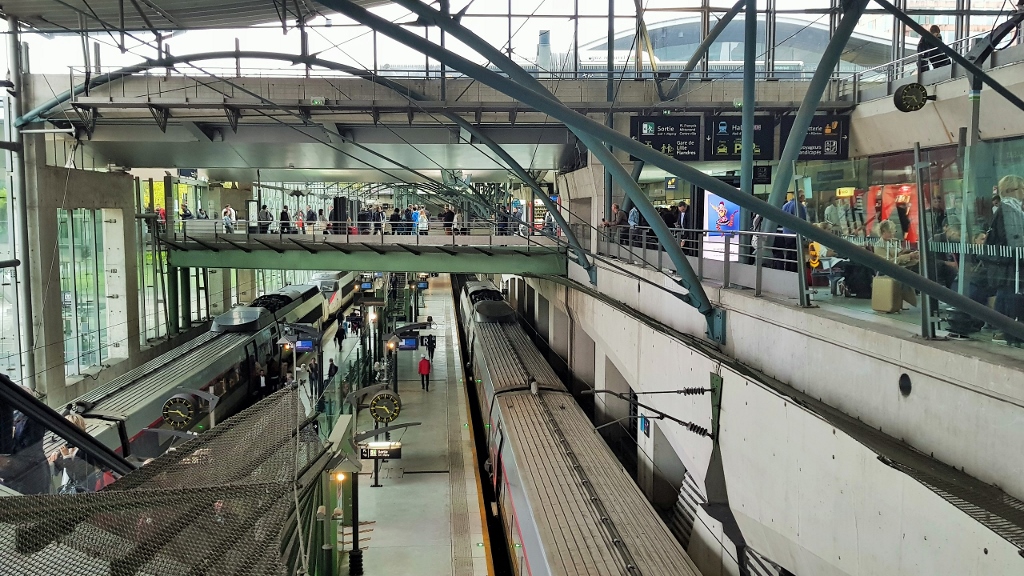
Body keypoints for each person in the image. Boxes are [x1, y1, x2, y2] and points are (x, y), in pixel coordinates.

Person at [982, 174, 1024, 344]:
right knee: (1010, 293)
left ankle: (1005, 329)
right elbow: (1014, 239)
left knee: (1007, 293)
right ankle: (1009, 331)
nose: (1023, 192)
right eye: (1021, 188)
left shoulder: (1011, 209)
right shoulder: (1010, 210)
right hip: (1010, 264)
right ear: (1010, 191)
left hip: (1008, 264)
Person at [48, 414, 93, 494]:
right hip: (68, 490)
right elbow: (60, 470)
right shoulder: (70, 447)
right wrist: (56, 458)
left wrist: (66, 456)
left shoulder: (85, 451)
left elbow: (77, 476)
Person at [774, 193, 807, 272]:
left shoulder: (786, 205)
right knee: (796, 255)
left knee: (789, 254)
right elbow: (802, 221)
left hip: (786, 233)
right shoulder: (799, 206)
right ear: (801, 196)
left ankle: (788, 270)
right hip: (796, 234)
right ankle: (795, 271)